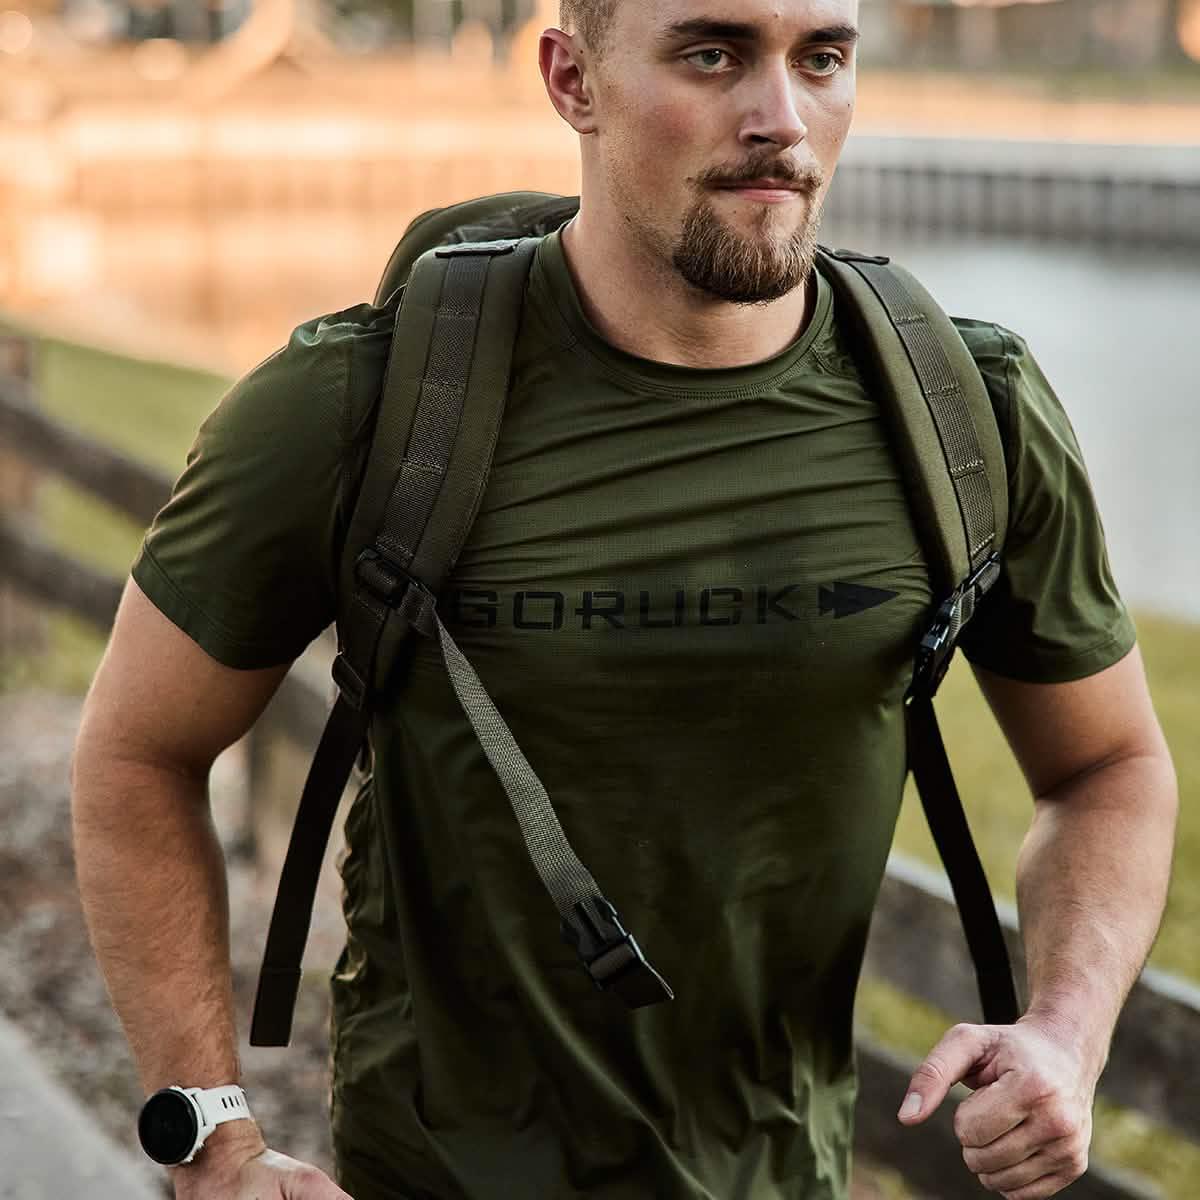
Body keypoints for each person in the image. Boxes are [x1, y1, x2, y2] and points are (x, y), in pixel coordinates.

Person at [71, 2, 1179, 1199]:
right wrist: (212, 1142)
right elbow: (136, 752)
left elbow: (1107, 767)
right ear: (570, 78)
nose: (781, 119)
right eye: (712, 55)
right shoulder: (361, 399)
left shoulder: (971, 413)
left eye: (822, 59)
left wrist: (1066, 1032)